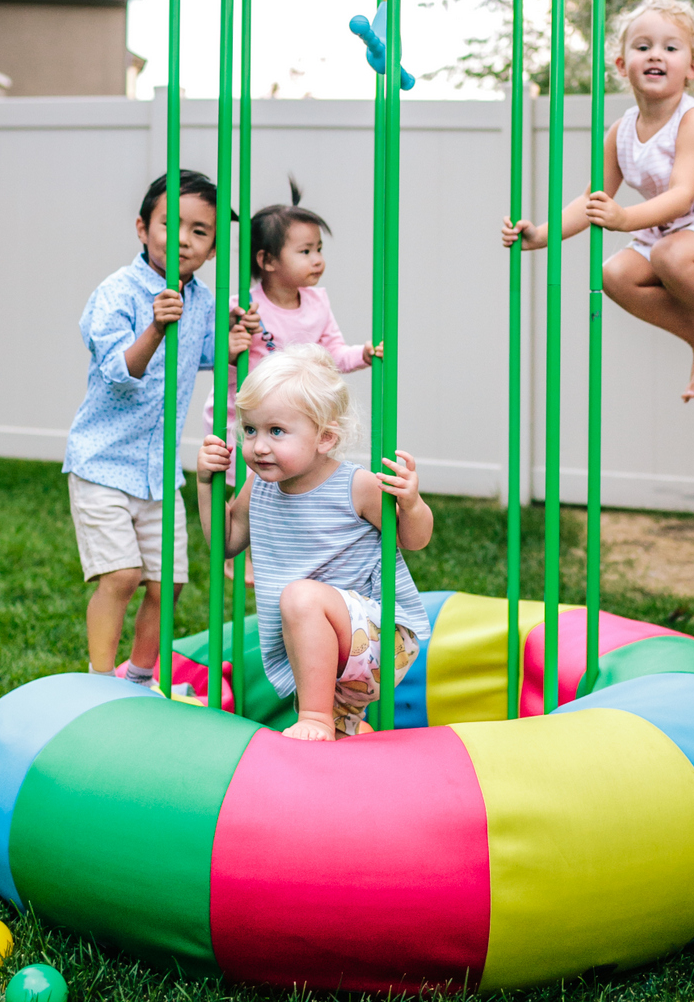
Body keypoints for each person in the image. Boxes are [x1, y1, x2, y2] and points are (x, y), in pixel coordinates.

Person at [503, 0, 694, 402]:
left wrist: (625, 218)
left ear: (693, 67)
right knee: (613, 275)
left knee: (669, 255)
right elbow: (592, 200)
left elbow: (682, 196)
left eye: (670, 47)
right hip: (674, 234)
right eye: (643, 46)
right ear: (621, 64)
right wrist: (541, 236)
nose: (655, 55)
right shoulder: (620, 131)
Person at [63, 169, 253, 685]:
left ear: (213, 248)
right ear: (143, 228)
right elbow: (119, 374)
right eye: (172, 224)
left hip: (158, 472)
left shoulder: (203, 301)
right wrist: (156, 326)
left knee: (166, 584)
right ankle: (100, 681)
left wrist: (236, 342)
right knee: (122, 576)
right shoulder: (118, 293)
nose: (184, 240)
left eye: (200, 232)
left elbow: (208, 355)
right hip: (103, 463)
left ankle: (141, 679)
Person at [197, 344, 432, 740]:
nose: (258, 446)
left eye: (276, 431)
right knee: (335, 745)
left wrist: (412, 503)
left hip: (380, 637)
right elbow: (225, 543)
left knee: (300, 598)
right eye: (250, 429)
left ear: (324, 438)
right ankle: (345, 728)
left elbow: (413, 540)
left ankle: (315, 717)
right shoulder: (259, 486)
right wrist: (207, 485)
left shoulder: (354, 486)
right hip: (319, 648)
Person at [209, 177, 381, 584]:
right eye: (305, 251)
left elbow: (332, 353)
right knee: (252, 473)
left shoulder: (318, 302)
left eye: (319, 249)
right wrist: (235, 339)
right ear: (267, 261)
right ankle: (240, 550)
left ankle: (291, 541)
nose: (317, 259)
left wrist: (363, 355)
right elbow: (224, 363)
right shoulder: (246, 308)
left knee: (291, 476)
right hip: (250, 415)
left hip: (297, 417)